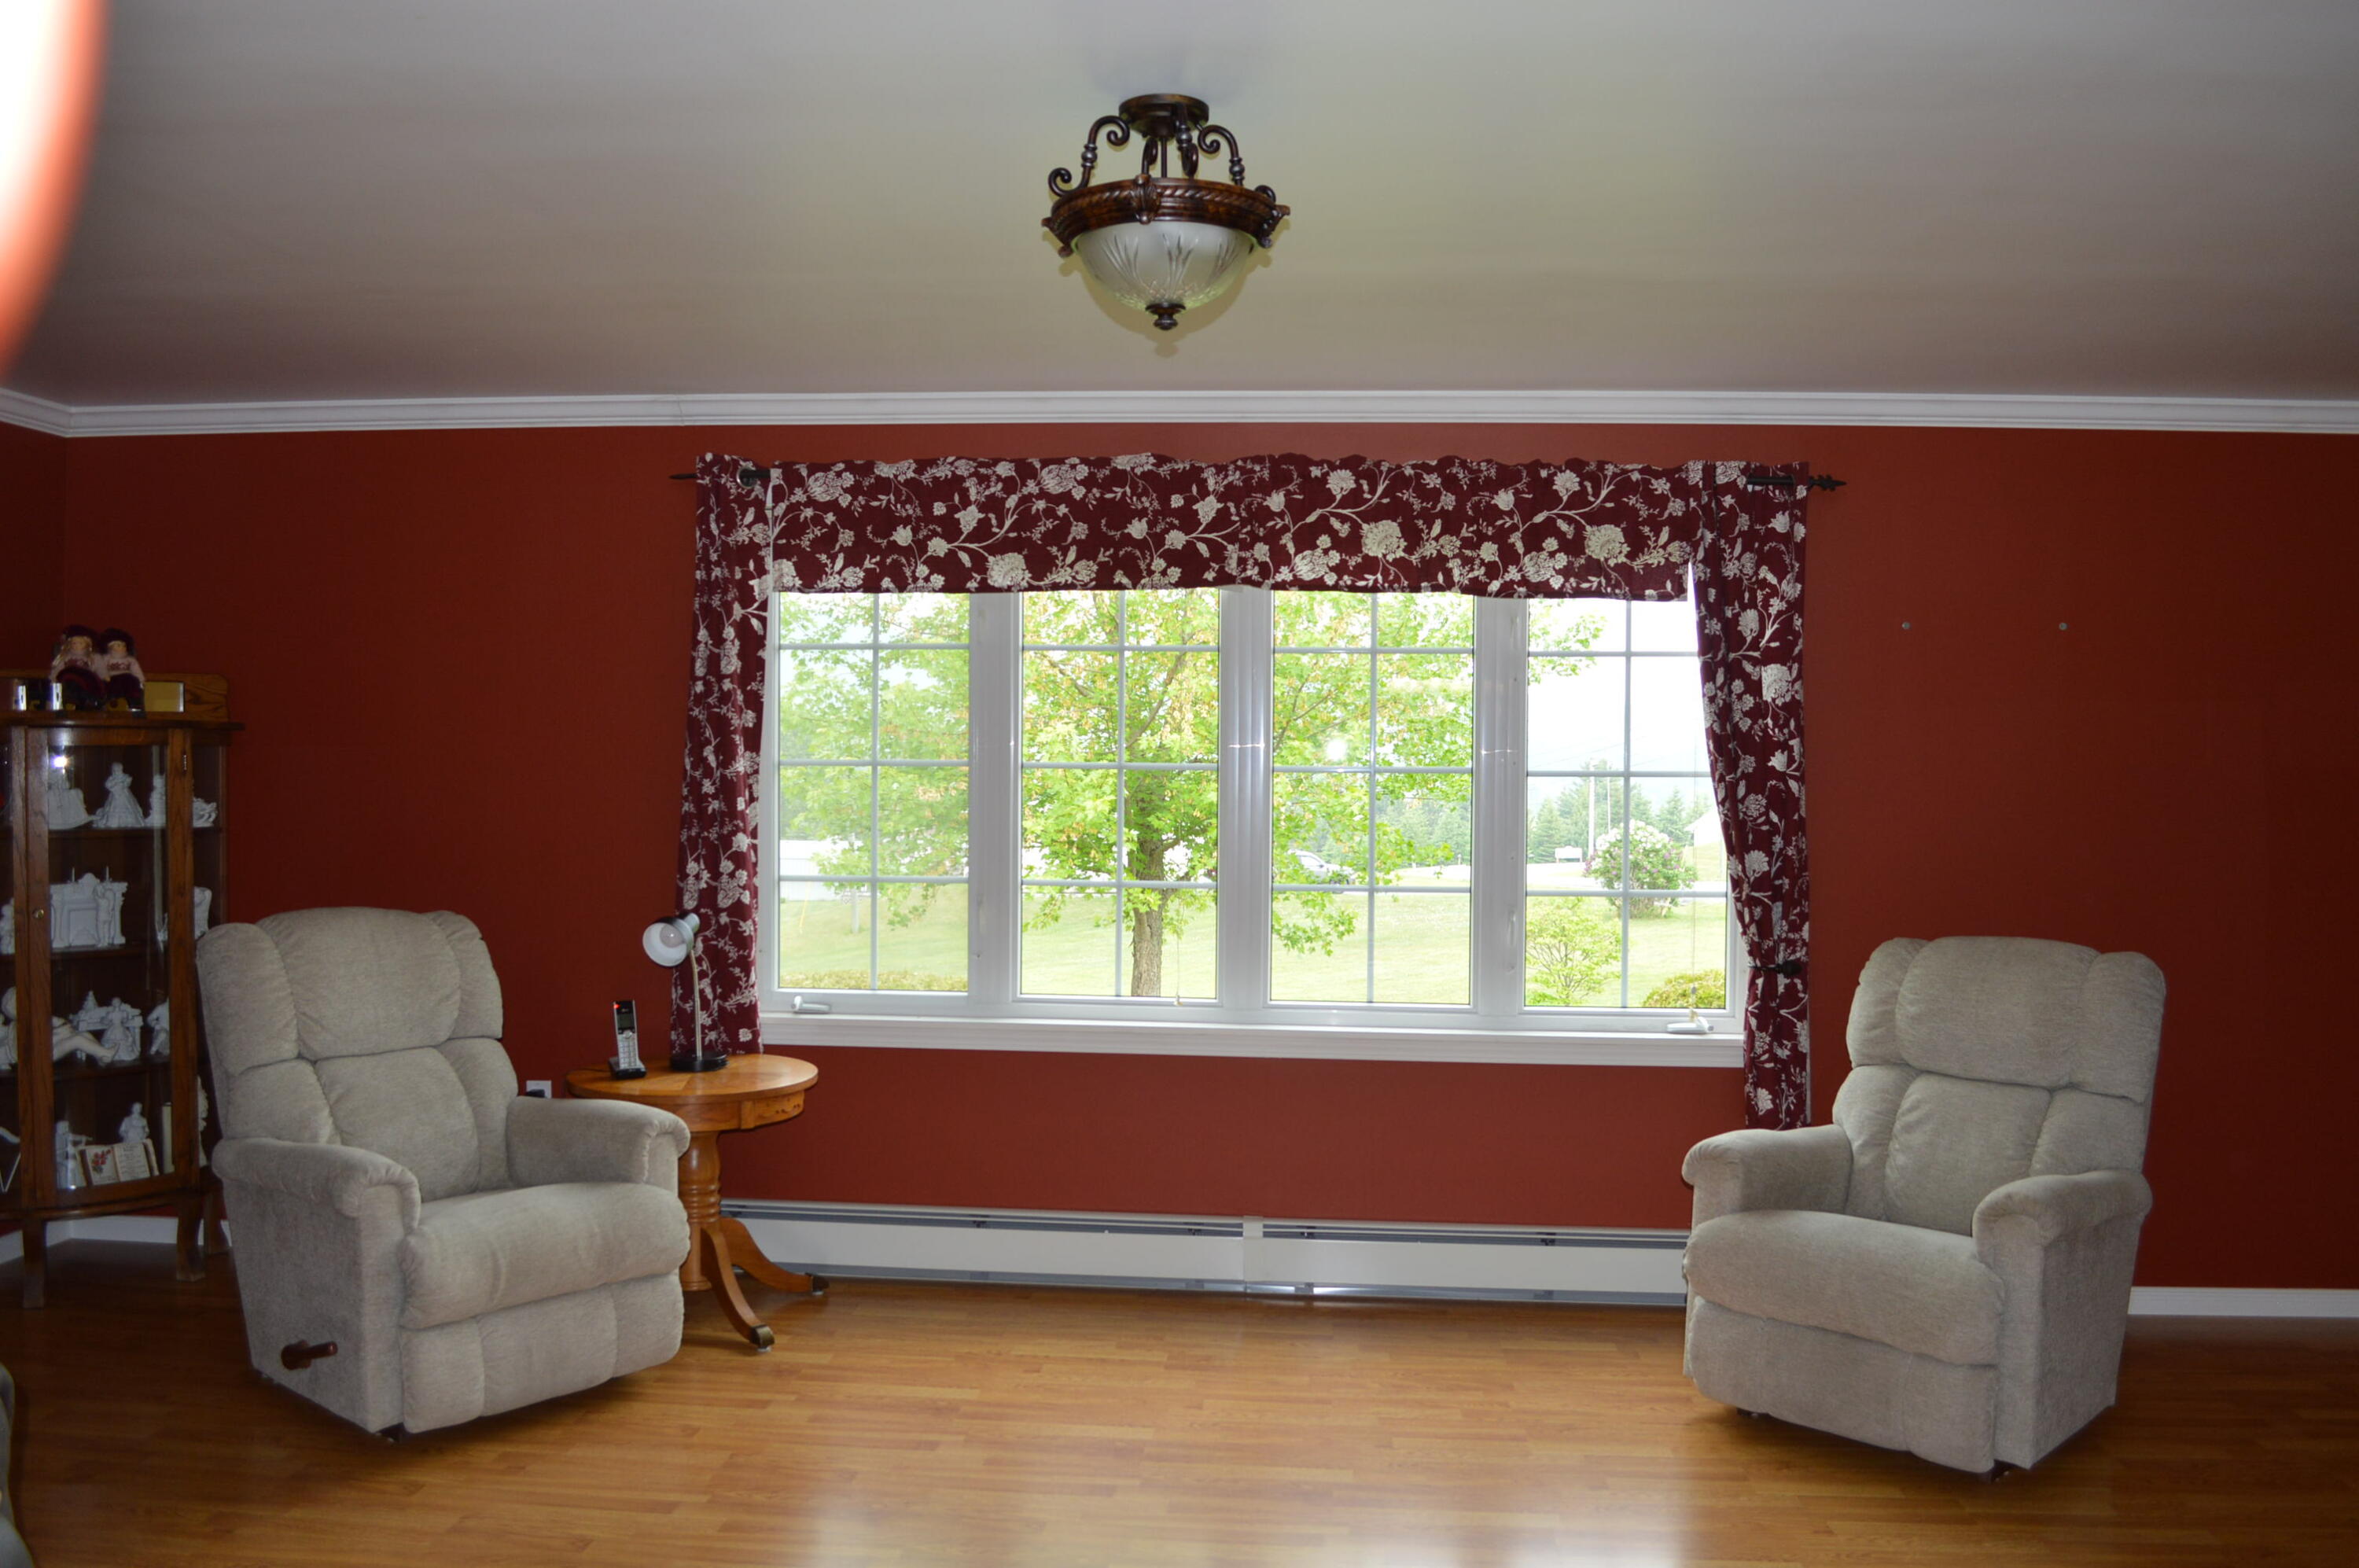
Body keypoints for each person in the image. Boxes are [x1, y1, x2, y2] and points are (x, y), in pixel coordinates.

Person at [49, 624, 102, 710]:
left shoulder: (93, 658)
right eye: (74, 643)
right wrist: (54, 679)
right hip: (67, 682)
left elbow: (99, 669)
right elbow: (57, 670)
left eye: (80, 643)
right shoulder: (65, 658)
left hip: (86, 683)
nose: (77, 646)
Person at [96, 628, 145, 712]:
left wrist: (141, 680)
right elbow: (100, 668)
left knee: (133, 684)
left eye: (124, 645)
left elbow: (136, 670)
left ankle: (135, 705)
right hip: (110, 679)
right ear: (110, 647)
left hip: (127, 679)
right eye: (118, 645)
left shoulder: (130, 659)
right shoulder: (106, 658)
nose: (122, 647)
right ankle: (103, 703)